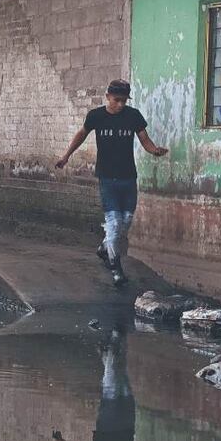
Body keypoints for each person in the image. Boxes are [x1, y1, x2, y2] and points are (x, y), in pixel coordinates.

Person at [55, 79, 168, 286]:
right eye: (117, 100)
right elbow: (81, 134)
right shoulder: (96, 116)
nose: (121, 104)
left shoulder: (133, 116)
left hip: (128, 177)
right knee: (114, 223)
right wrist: (66, 156)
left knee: (125, 222)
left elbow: (144, 139)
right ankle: (116, 268)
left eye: (124, 100)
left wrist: (154, 151)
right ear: (108, 97)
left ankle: (104, 248)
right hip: (107, 177)